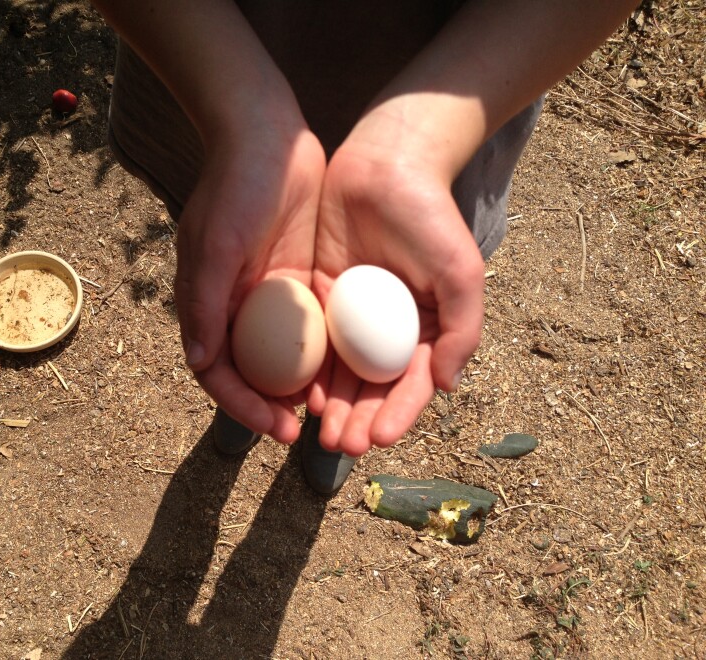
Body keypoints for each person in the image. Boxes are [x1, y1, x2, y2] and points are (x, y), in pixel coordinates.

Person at [90, 0, 639, 493]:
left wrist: (421, 142)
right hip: (205, 68)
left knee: (306, 310)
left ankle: (319, 420)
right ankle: (266, 374)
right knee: (240, 260)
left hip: (466, 84)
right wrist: (239, 115)